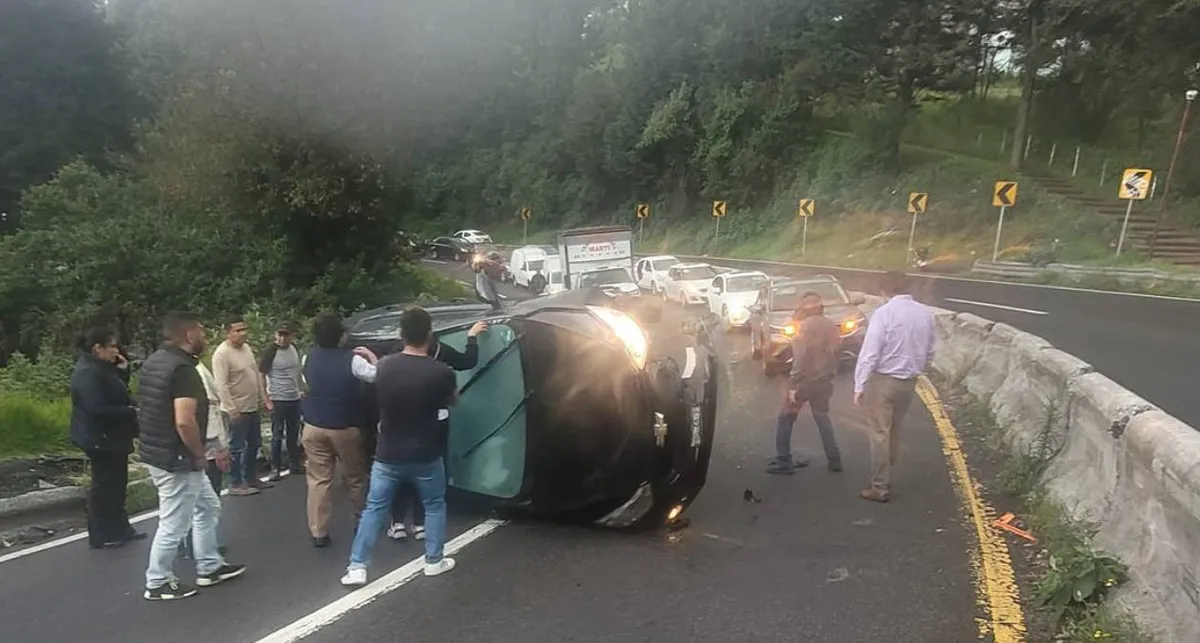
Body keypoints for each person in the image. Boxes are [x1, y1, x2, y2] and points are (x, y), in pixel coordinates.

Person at [341, 307, 458, 586]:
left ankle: (357, 566)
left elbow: (379, 376)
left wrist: (374, 359)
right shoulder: (441, 372)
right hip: (426, 454)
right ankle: (434, 561)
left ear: (401, 334)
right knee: (434, 505)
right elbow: (453, 400)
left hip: (388, 454)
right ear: (429, 334)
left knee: (374, 508)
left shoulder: (385, 367)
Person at [137, 312, 244, 601]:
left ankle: (209, 565)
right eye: (202, 332)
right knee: (174, 522)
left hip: (157, 450)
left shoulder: (155, 361)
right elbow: (185, 421)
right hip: (178, 458)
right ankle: (157, 581)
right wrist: (199, 454)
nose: (205, 337)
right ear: (188, 335)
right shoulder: (184, 370)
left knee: (208, 505)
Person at [387, 320, 488, 542]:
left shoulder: (395, 355)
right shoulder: (440, 352)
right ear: (429, 334)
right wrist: (472, 337)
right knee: (427, 470)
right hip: (435, 422)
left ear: (404, 335)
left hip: (401, 421)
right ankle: (420, 523)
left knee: (400, 470)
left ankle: (397, 522)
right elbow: (467, 361)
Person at [853, 271, 935, 503]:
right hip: (909, 382)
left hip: (883, 380)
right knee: (895, 429)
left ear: (884, 290)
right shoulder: (925, 313)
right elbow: (930, 351)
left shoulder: (883, 314)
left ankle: (880, 486)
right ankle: (888, 469)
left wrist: (860, 384)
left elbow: (870, 353)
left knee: (880, 433)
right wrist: (918, 368)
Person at [301, 312, 378, 548]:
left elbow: (305, 384)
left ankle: (319, 531)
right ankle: (361, 521)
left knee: (318, 479)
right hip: (345, 426)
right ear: (341, 337)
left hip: (313, 426)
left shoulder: (308, 357)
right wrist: (372, 358)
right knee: (354, 477)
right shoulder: (352, 360)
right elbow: (377, 377)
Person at [69, 327, 143, 549]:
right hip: (99, 437)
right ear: (97, 348)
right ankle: (101, 533)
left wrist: (122, 372)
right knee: (104, 486)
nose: (116, 351)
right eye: (111, 346)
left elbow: (116, 391)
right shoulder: (88, 372)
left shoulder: (103, 368)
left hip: (113, 435)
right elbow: (96, 407)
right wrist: (131, 412)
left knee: (118, 483)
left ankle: (120, 528)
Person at [766, 293, 843, 475]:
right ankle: (834, 460)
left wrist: (793, 386)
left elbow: (800, 360)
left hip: (804, 383)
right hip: (824, 383)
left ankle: (784, 461)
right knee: (822, 418)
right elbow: (837, 354)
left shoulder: (803, 328)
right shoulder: (831, 326)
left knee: (786, 418)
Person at [212, 315, 271, 495]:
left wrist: (262, 398)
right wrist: (231, 408)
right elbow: (221, 385)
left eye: (244, 329)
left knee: (254, 443)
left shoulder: (246, 348)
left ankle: (251, 478)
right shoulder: (222, 354)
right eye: (237, 330)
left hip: (251, 406)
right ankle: (235, 483)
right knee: (236, 447)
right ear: (227, 332)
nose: (242, 333)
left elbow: (254, 374)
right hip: (236, 409)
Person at [181, 359, 231, 559]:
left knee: (192, 497)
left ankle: (189, 541)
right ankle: (201, 545)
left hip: (190, 444)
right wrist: (220, 446)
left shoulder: (177, 367)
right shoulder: (193, 371)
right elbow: (208, 411)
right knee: (208, 501)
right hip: (205, 445)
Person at [258, 321, 304, 480]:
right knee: (277, 435)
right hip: (277, 398)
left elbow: (297, 372)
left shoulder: (293, 349)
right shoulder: (270, 352)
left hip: (294, 397)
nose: (282, 339)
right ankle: (275, 468)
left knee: (293, 433)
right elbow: (261, 375)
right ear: (275, 335)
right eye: (280, 335)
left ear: (292, 336)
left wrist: (303, 388)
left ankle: (294, 464)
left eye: (286, 335)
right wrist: (266, 399)